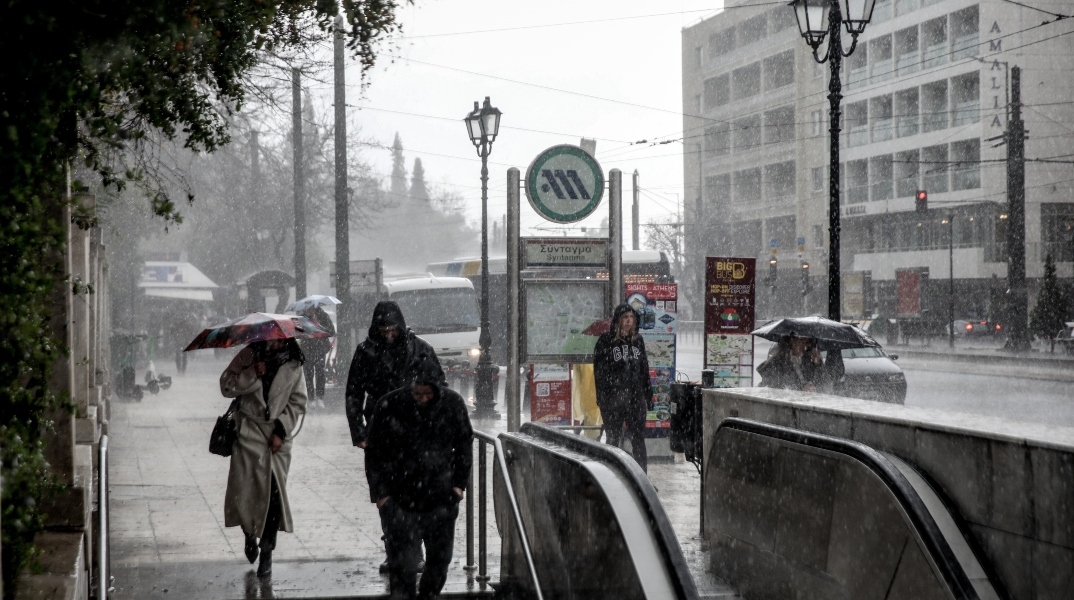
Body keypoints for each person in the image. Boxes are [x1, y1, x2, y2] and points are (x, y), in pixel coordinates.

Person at [345, 300, 445, 573]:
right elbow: (354, 392)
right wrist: (358, 431)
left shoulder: (421, 349)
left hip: (416, 433)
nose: (389, 334)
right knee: (385, 496)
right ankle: (394, 550)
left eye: (392, 329)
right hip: (381, 433)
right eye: (384, 330)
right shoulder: (366, 352)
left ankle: (415, 551)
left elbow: (440, 388)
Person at [365, 356, 473, 600]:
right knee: (402, 566)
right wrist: (381, 494)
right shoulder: (390, 404)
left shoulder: (452, 403)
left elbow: (464, 444)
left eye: (428, 394)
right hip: (400, 497)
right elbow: (374, 453)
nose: (423, 399)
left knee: (439, 561)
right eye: (418, 394)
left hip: (441, 495)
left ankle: (428, 596)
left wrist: (458, 485)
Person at [220, 339, 308, 578]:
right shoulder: (248, 355)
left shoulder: (294, 362)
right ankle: (249, 534)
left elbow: (298, 402)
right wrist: (250, 373)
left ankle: (267, 550)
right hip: (248, 434)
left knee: (273, 496)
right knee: (245, 494)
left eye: (280, 338)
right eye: (271, 337)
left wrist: (281, 430)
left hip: (276, 442)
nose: (275, 342)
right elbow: (226, 386)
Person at [593, 303, 652, 473]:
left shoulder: (638, 340)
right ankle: (610, 473)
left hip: (635, 397)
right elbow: (599, 372)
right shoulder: (606, 340)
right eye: (625, 317)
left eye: (631, 317)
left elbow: (644, 369)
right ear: (618, 320)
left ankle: (642, 475)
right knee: (613, 438)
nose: (629, 321)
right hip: (613, 397)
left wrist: (648, 395)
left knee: (638, 438)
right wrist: (602, 396)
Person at [757, 335, 828, 392]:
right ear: (791, 342)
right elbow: (776, 391)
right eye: (802, 342)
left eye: (807, 343)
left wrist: (818, 364)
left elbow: (825, 384)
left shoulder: (808, 361)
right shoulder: (776, 363)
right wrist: (802, 390)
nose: (805, 347)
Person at [301, 305, 336, 407]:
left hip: (320, 349)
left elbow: (331, 331)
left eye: (311, 308)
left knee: (320, 372)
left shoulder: (323, 316)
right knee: (308, 374)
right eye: (307, 308)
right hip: (307, 349)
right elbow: (297, 332)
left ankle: (320, 397)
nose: (309, 310)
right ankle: (311, 398)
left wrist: (319, 326)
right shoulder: (302, 318)